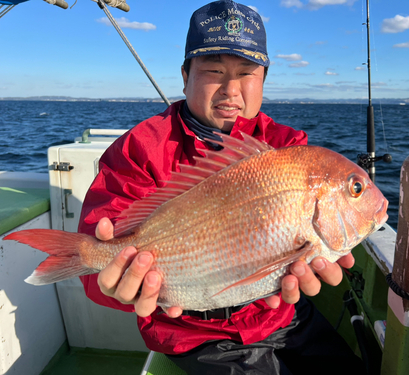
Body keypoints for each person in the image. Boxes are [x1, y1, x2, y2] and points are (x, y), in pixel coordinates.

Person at [78, 1, 366, 374]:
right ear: (185, 75)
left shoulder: (289, 148)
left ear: (264, 78)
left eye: (247, 72)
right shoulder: (141, 148)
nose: (231, 90)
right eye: (214, 70)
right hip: (192, 332)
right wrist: (117, 283)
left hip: (279, 316)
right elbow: (92, 269)